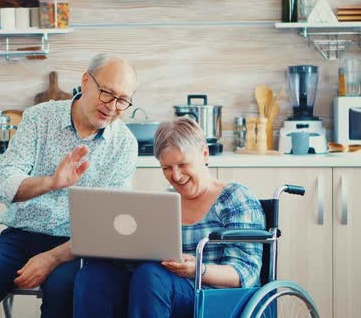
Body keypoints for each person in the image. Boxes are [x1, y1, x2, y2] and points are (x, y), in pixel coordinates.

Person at [0, 54, 139, 318]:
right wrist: (50, 183)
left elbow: (110, 223)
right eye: (107, 93)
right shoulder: (39, 118)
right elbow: (0, 183)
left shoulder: (124, 144)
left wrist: (52, 257)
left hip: (76, 244)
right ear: (86, 81)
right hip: (21, 235)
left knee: (62, 293)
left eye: (122, 100)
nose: (112, 107)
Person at [73, 117, 266, 318]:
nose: (176, 176)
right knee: (94, 275)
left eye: (183, 164)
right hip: (163, 289)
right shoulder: (165, 201)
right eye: (166, 168)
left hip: (218, 298)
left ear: (205, 154)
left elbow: (245, 273)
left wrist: (198, 270)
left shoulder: (235, 198)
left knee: (151, 276)